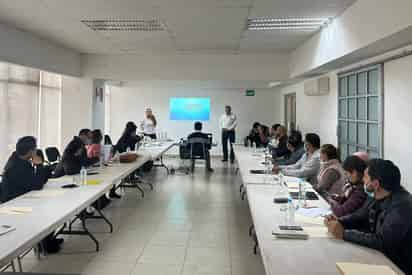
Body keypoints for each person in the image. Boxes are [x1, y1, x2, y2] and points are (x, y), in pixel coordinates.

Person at [325, 159, 412, 274]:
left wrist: (344, 234)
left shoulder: (403, 206)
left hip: (397, 266)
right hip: (378, 257)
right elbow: (360, 216)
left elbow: (382, 241)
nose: (362, 180)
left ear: (375, 184)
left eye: (365, 177)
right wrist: (339, 222)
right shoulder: (376, 196)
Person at [0, 137, 63, 253]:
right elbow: (37, 185)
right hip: (14, 205)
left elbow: (38, 181)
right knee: (47, 212)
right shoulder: (16, 166)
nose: (36, 151)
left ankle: (47, 240)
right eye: (35, 149)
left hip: (23, 199)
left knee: (49, 207)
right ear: (30, 151)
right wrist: (39, 165)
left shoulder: (20, 160)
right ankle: (45, 244)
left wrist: (42, 168)